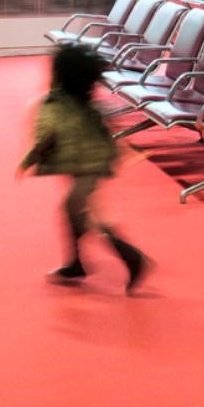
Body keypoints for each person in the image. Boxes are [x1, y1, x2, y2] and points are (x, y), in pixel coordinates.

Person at [17, 45, 150, 291]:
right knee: (76, 212)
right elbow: (107, 134)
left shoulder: (54, 105)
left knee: (84, 215)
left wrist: (28, 161)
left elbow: (45, 138)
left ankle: (130, 256)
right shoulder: (89, 105)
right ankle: (77, 262)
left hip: (83, 166)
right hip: (92, 165)